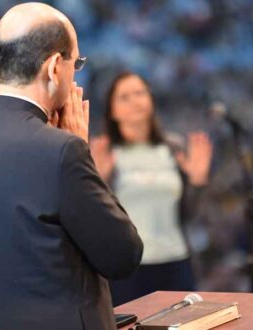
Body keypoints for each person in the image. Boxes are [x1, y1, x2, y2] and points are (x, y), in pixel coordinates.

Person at [0, 3, 143, 329]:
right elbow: (122, 255)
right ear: (54, 68)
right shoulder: (62, 151)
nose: (76, 73)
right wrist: (82, 154)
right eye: (76, 63)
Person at [90, 72, 212, 306]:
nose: (135, 101)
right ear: (111, 110)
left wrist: (197, 182)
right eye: (124, 97)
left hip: (175, 261)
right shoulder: (104, 153)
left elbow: (188, 213)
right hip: (127, 270)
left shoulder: (173, 147)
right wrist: (99, 182)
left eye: (139, 93)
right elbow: (96, 221)